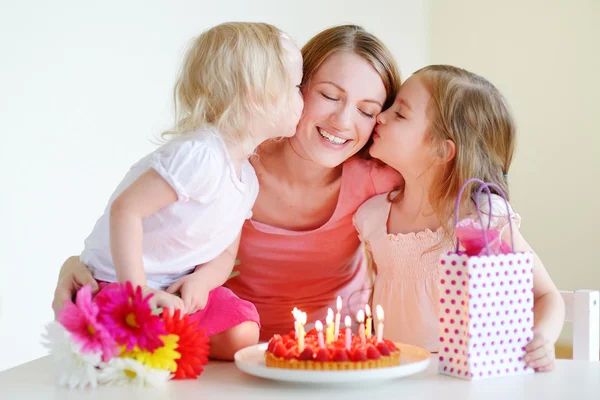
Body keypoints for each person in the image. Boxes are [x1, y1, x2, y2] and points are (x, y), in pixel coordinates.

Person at [53, 24, 403, 359]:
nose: (343, 121)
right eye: (328, 95)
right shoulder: (229, 163)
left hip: (340, 348)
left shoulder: (373, 178)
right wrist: (84, 267)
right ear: (288, 89)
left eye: (367, 111)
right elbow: (145, 222)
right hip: (232, 356)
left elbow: (444, 206)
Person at [70, 22, 304, 359]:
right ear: (256, 93)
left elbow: (224, 253)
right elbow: (127, 210)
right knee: (123, 341)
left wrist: (203, 281)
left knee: (243, 328)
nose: (302, 98)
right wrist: (139, 294)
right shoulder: (201, 154)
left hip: (175, 287)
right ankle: (134, 336)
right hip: (120, 281)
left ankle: (161, 345)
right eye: (295, 87)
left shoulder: (247, 179)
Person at [353, 65, 565, 371]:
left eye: (400, 114)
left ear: (442, 150)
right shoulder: (370, 217)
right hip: (396, 378)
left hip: (464, 382)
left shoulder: (482, 218)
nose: (381, 116)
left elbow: (546, 295)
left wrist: (542, 339)